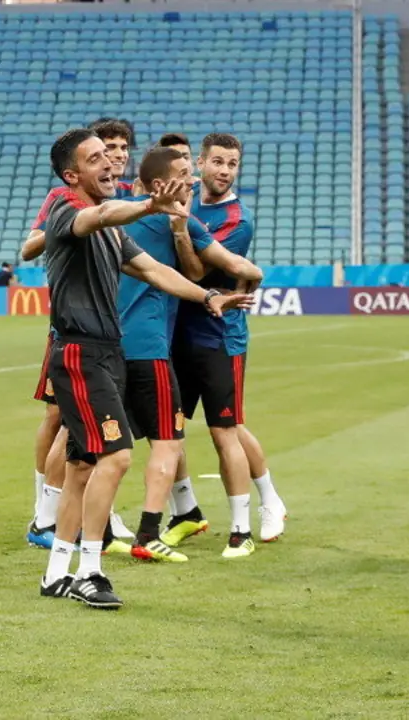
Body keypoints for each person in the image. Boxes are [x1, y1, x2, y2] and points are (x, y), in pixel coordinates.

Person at [37, 127, 251, 609]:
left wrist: (209, 295)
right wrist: (151, 207)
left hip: (105, 351)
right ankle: (90, 570)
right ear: (73, 175)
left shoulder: (112, 230)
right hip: (80, 353)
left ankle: (56, 574)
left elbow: (157, 271)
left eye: (110, 157)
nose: (109, 164)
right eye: (95, 159)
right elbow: (105, 212)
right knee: (116, 456)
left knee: (80, 466)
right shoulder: (67, 210)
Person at [120, 145, 264, 561]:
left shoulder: (125, 216)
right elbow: (215, 271)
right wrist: (221, 290)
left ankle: (232, 525)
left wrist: (241, 275)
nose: (195, 179)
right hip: (154, 344)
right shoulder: (150, 216)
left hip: (194, 341)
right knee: (164, 439)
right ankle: (154, 529)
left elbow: (229, 267)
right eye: (187, 171)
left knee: (200, 433)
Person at [24, 119, 144, 550]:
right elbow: (29, 245)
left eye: (121, 147)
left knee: (86, 439)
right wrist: (65, 234)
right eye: (105, 149)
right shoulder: (64, 199)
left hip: (108, 332)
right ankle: (46, 512)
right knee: (62, 420)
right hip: (75, 334)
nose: (115, 155)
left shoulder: (120, 196)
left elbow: (145, 261)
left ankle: (79, 531)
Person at [167, 132, 287, 556]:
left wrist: (180, 227)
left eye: (232, 164)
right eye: (217, 161)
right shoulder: (184, 196)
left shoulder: (238, 218)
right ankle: (185, 512)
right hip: (176, 334)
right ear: (200, 163)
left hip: (221, 336)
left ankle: (265, 504)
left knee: (227, 428)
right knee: (169, 429)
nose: (224, 170)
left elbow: (198, 272)